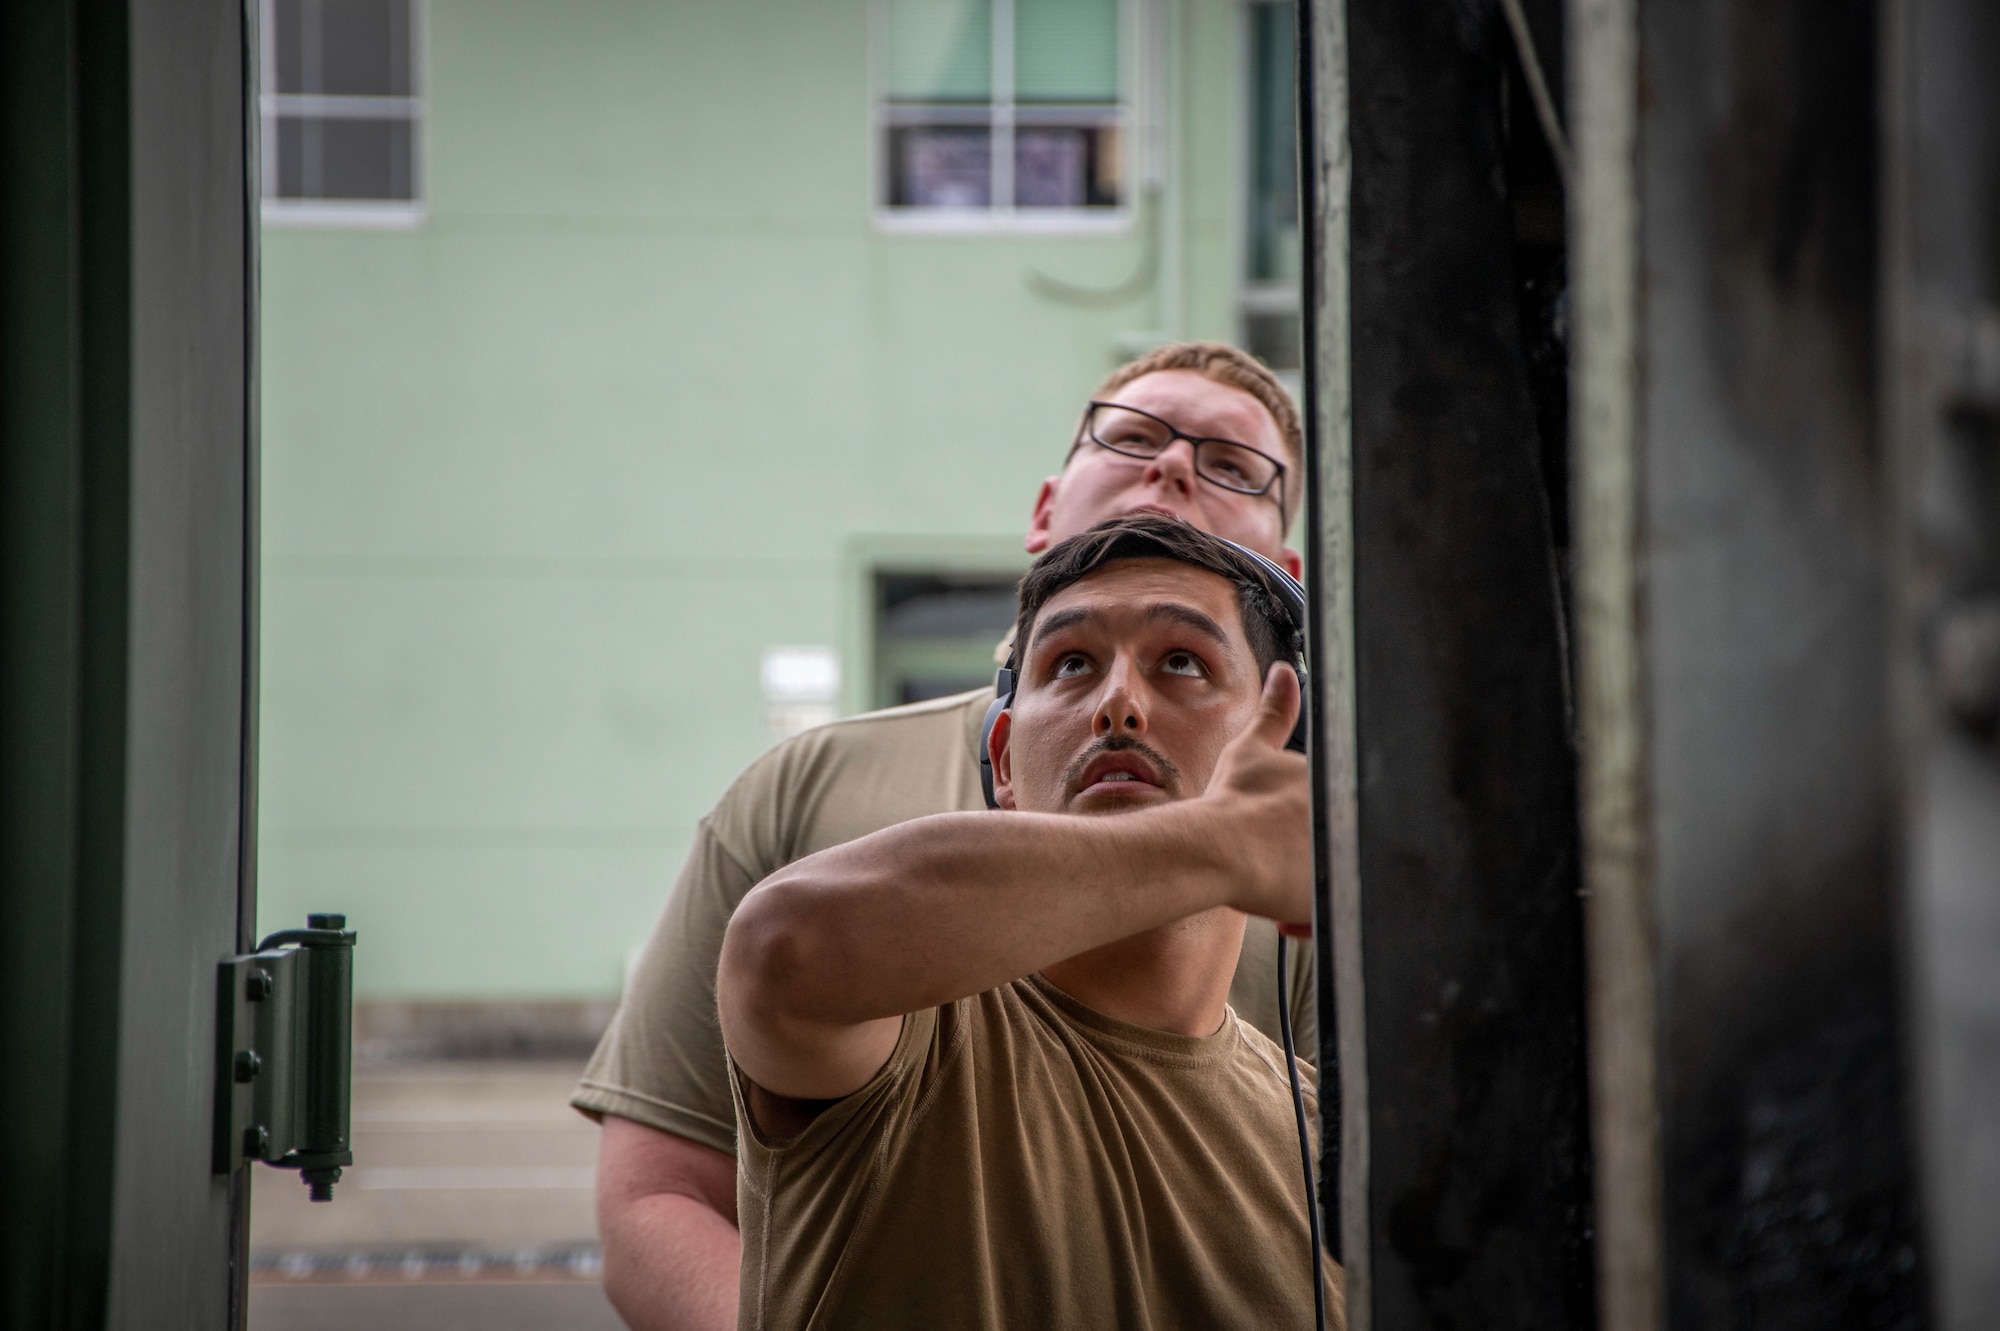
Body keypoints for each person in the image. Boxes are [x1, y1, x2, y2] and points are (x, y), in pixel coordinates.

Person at [576, 343, 1316, 1330]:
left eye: (1229, 463)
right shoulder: (809, 791)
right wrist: (1221, 844)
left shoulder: (1317, 926)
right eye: (1132, 436)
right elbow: (662, 1186)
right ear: (1045, 508)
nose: (1173, 469)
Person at [719, 514, 1339, 1329]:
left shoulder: (1327, 1140)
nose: (1118, 704)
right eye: (1072, 663)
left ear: (1284, 743)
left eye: (1182, 662)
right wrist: (1226, 841)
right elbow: (781, 949)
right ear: (1004, 761)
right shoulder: (907, 1035)